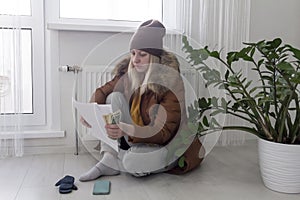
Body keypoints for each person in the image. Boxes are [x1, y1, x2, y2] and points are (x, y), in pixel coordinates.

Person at [79, 19, 204, 182]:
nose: (135, 59)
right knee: (113, 97)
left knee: (133, 163)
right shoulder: (129, 72)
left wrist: (127, 130)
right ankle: (111, 157)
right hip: (138, 139)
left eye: (142, 54)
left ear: (154, 57)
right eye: (133, 53)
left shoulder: (170, 81)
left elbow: (164, 133)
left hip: (166, 144)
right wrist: (90, 109)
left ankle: (119, 158)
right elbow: (104, 90)